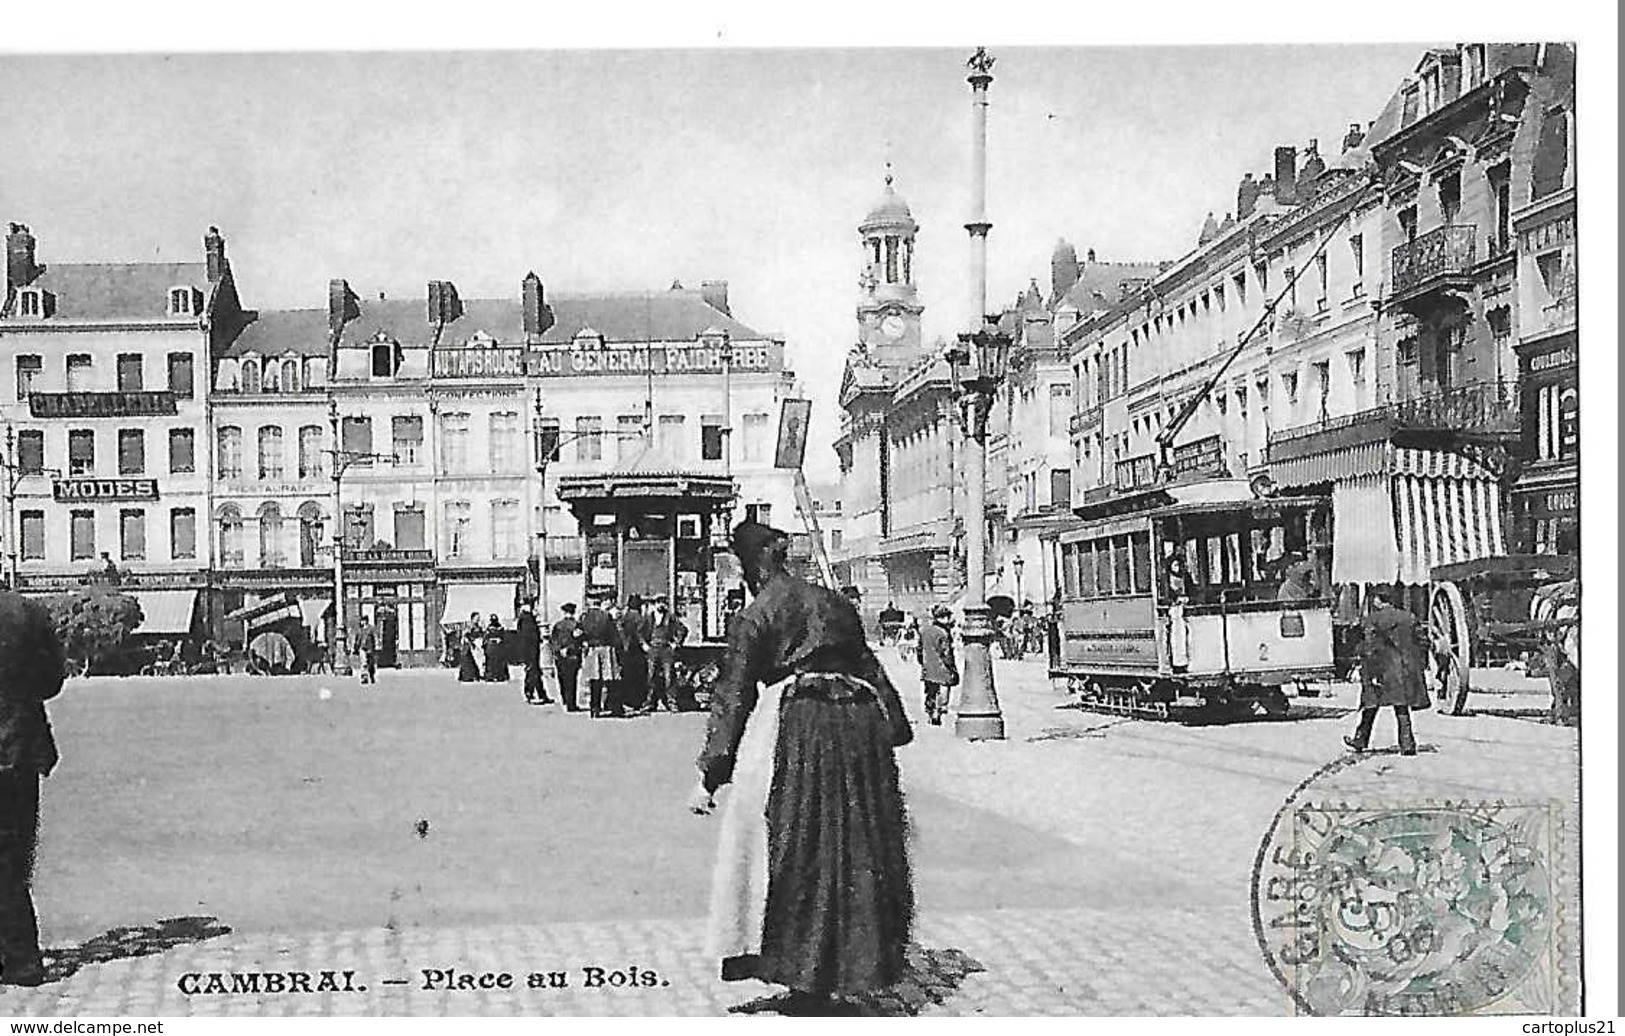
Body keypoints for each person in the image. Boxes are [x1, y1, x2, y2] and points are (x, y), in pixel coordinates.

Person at [693, 521, 913, 1012]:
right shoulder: (835, 603)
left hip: (796, 723)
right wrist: (895, 726)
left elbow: (733, 694)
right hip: (857, 727)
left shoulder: (756, 613)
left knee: (790, 842)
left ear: (748, 565)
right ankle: (852, 963)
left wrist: (711, 773)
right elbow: (869, 666)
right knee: (856, 843)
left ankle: (801, 967)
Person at [0, 588, 67, 986]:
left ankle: (18, 956)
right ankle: (21, 957)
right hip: (20, 747)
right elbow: (51, 681)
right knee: (14, 855)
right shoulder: (26, 612)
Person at [1345, 587, 1430, 756]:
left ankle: (1360, 740)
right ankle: (1407, 744)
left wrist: (1363, 663)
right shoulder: (1409, 617)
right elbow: (1423, 642)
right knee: (1401, 707)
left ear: (1378, 600)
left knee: (1370, 705)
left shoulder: (1372, 620)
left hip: (1380, 669)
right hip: (1403, 669)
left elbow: (1370, 648)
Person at [578, 592, 622, 718]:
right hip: (606, 648)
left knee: (594, 680)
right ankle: (615, 707)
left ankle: (594, 708)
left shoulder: (584, 617)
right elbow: (614, 634)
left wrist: (584, 642)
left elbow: (578, 634)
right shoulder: (606, 616)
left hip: (592, 650)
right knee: (610, 680)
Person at [645, 597, 688, 713]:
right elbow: (640, 632)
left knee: (669, 676)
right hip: (653, 648)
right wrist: (644, 644)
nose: (661, 605)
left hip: (666, 649)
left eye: (663, 603)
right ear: (655, 604)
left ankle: (671, 701)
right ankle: (650, 702)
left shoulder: (670, 617)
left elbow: (683, 629)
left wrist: (676, 643)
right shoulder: (649, 617)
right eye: (659, 602)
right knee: (651, 675)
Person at [918, 603, 959, 726]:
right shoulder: (943, 633)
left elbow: (919, 649)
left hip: (928, 666)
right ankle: (938, 712)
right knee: (943, 689)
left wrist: (922, 662)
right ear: (943, 617)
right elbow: (946, 653)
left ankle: (931, 711)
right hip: (942, 668)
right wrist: (952, 667)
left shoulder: (924, 631)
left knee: (930, 690)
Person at [617, 594, 650, 714]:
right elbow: (640, 633)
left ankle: (626, 700)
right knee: (638, 677)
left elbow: (619, 631)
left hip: (625, 650)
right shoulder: (639, 618)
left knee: (626, 675)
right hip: (637, 651)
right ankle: (637, 702)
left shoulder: (624, 617)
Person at [549, 603, 584, 711]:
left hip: (560, 656)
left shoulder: (558, 625)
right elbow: (579, 640)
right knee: (572, 679)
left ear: (564, 612)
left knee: (562, 678)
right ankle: (571, 703)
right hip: (572, 655)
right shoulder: (576, 625)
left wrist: (558, 650)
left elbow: (553, 640)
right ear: (573, 612)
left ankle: (564, 698)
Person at [516, 601, 551, 705]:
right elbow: (528, 636)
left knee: (535, 672)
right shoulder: (526, 619)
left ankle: (541, 694)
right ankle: (530, 693)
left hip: (531, 649)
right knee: (532, 672)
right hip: (530, 649)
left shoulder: (526, 618)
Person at [457, 613, 484, 683]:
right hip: (469, 645)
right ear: (472, 618)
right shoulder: (469, 626)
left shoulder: (479, 627)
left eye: (479, 618)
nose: (478, 619)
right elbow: (465, 635)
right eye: (477, 618)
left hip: (478, 645)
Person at [483, 614, 510, 682]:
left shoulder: (500, 628)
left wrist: (500, 639)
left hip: (498, 648)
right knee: (491, 662)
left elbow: (504, 637)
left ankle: (500, 676)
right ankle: (490, 676)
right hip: (491, 648)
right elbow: (486, 638)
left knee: (499, 662)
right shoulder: (488, 628)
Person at [354, 618, 378, 684]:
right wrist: (356, 648)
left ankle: (372, 675)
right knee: (363, 663)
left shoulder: (371, 629)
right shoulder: (360, 630)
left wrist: (374, 647)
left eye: (362, 620)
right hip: (362, 648)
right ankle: (364, 678)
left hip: (370, 648)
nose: (361, 622)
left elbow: (374, 638)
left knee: (371, 664)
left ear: (365, 621)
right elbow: (357, 640)